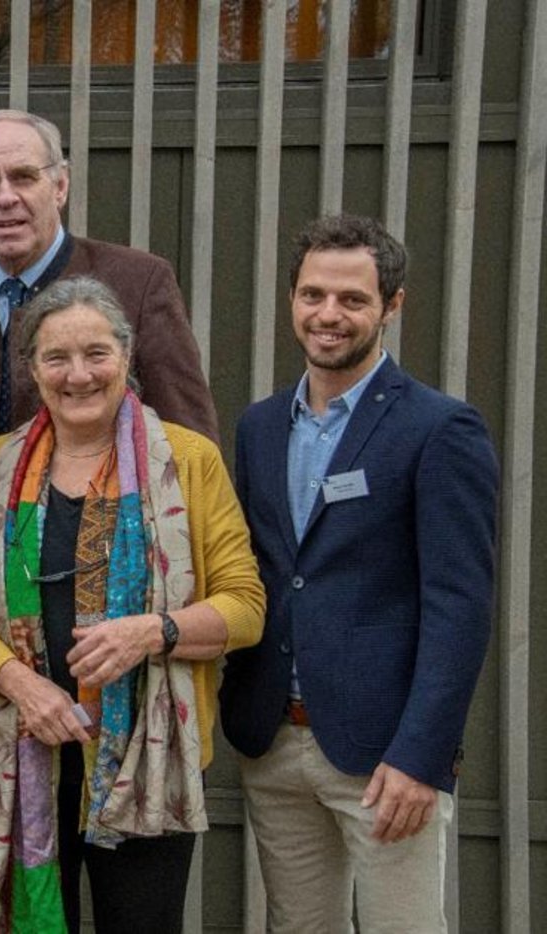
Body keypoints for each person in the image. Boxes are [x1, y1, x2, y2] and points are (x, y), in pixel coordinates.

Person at [0, 276, 264, 934]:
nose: (78, 375)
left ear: (128, 354)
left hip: (146, 756)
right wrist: (20, 684)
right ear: (30, 369)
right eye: (56, 357)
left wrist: (154, 631)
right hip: (21, 746)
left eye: (97, 353)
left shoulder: (189, 462)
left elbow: (246, 605)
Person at [221, 215, 498, 933]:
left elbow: (459, 606)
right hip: (275, 741)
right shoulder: (258, 426)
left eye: (352, 299)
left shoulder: (440, 429)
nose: (329, 315)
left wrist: (421, 756)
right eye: (313, 295)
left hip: (385, 758)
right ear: (291, 300)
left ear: (393, 306)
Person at [0, 109, 218, 440]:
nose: (4, 198)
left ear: (60, 187)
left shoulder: (140, 283)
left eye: (23, 177)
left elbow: (189, 441)